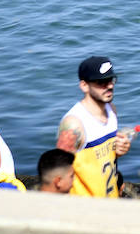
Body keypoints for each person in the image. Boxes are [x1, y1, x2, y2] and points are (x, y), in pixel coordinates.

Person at [55, 56, 134, 197]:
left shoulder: (112, 111)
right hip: (84, 206)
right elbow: (58, 173)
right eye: (102, 82)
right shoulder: (74, 124)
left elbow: (100, 158)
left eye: (111, 80)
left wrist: (118, 150)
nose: (109, 86)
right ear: (84, 85)